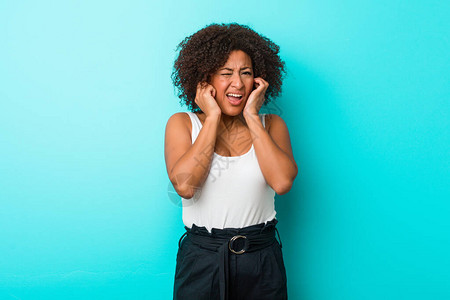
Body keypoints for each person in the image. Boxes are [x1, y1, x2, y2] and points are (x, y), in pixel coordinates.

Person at [165, 23, 298, 300]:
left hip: (261, 258)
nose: (237, 83)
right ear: (205, 80)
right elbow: (186, 187)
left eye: (246, 73)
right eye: (226, 73)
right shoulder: (182, 124)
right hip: (202, 260)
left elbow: (283, 182)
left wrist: (252, 117)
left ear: (257, 80)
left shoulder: (271, 125)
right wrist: (211, 117)